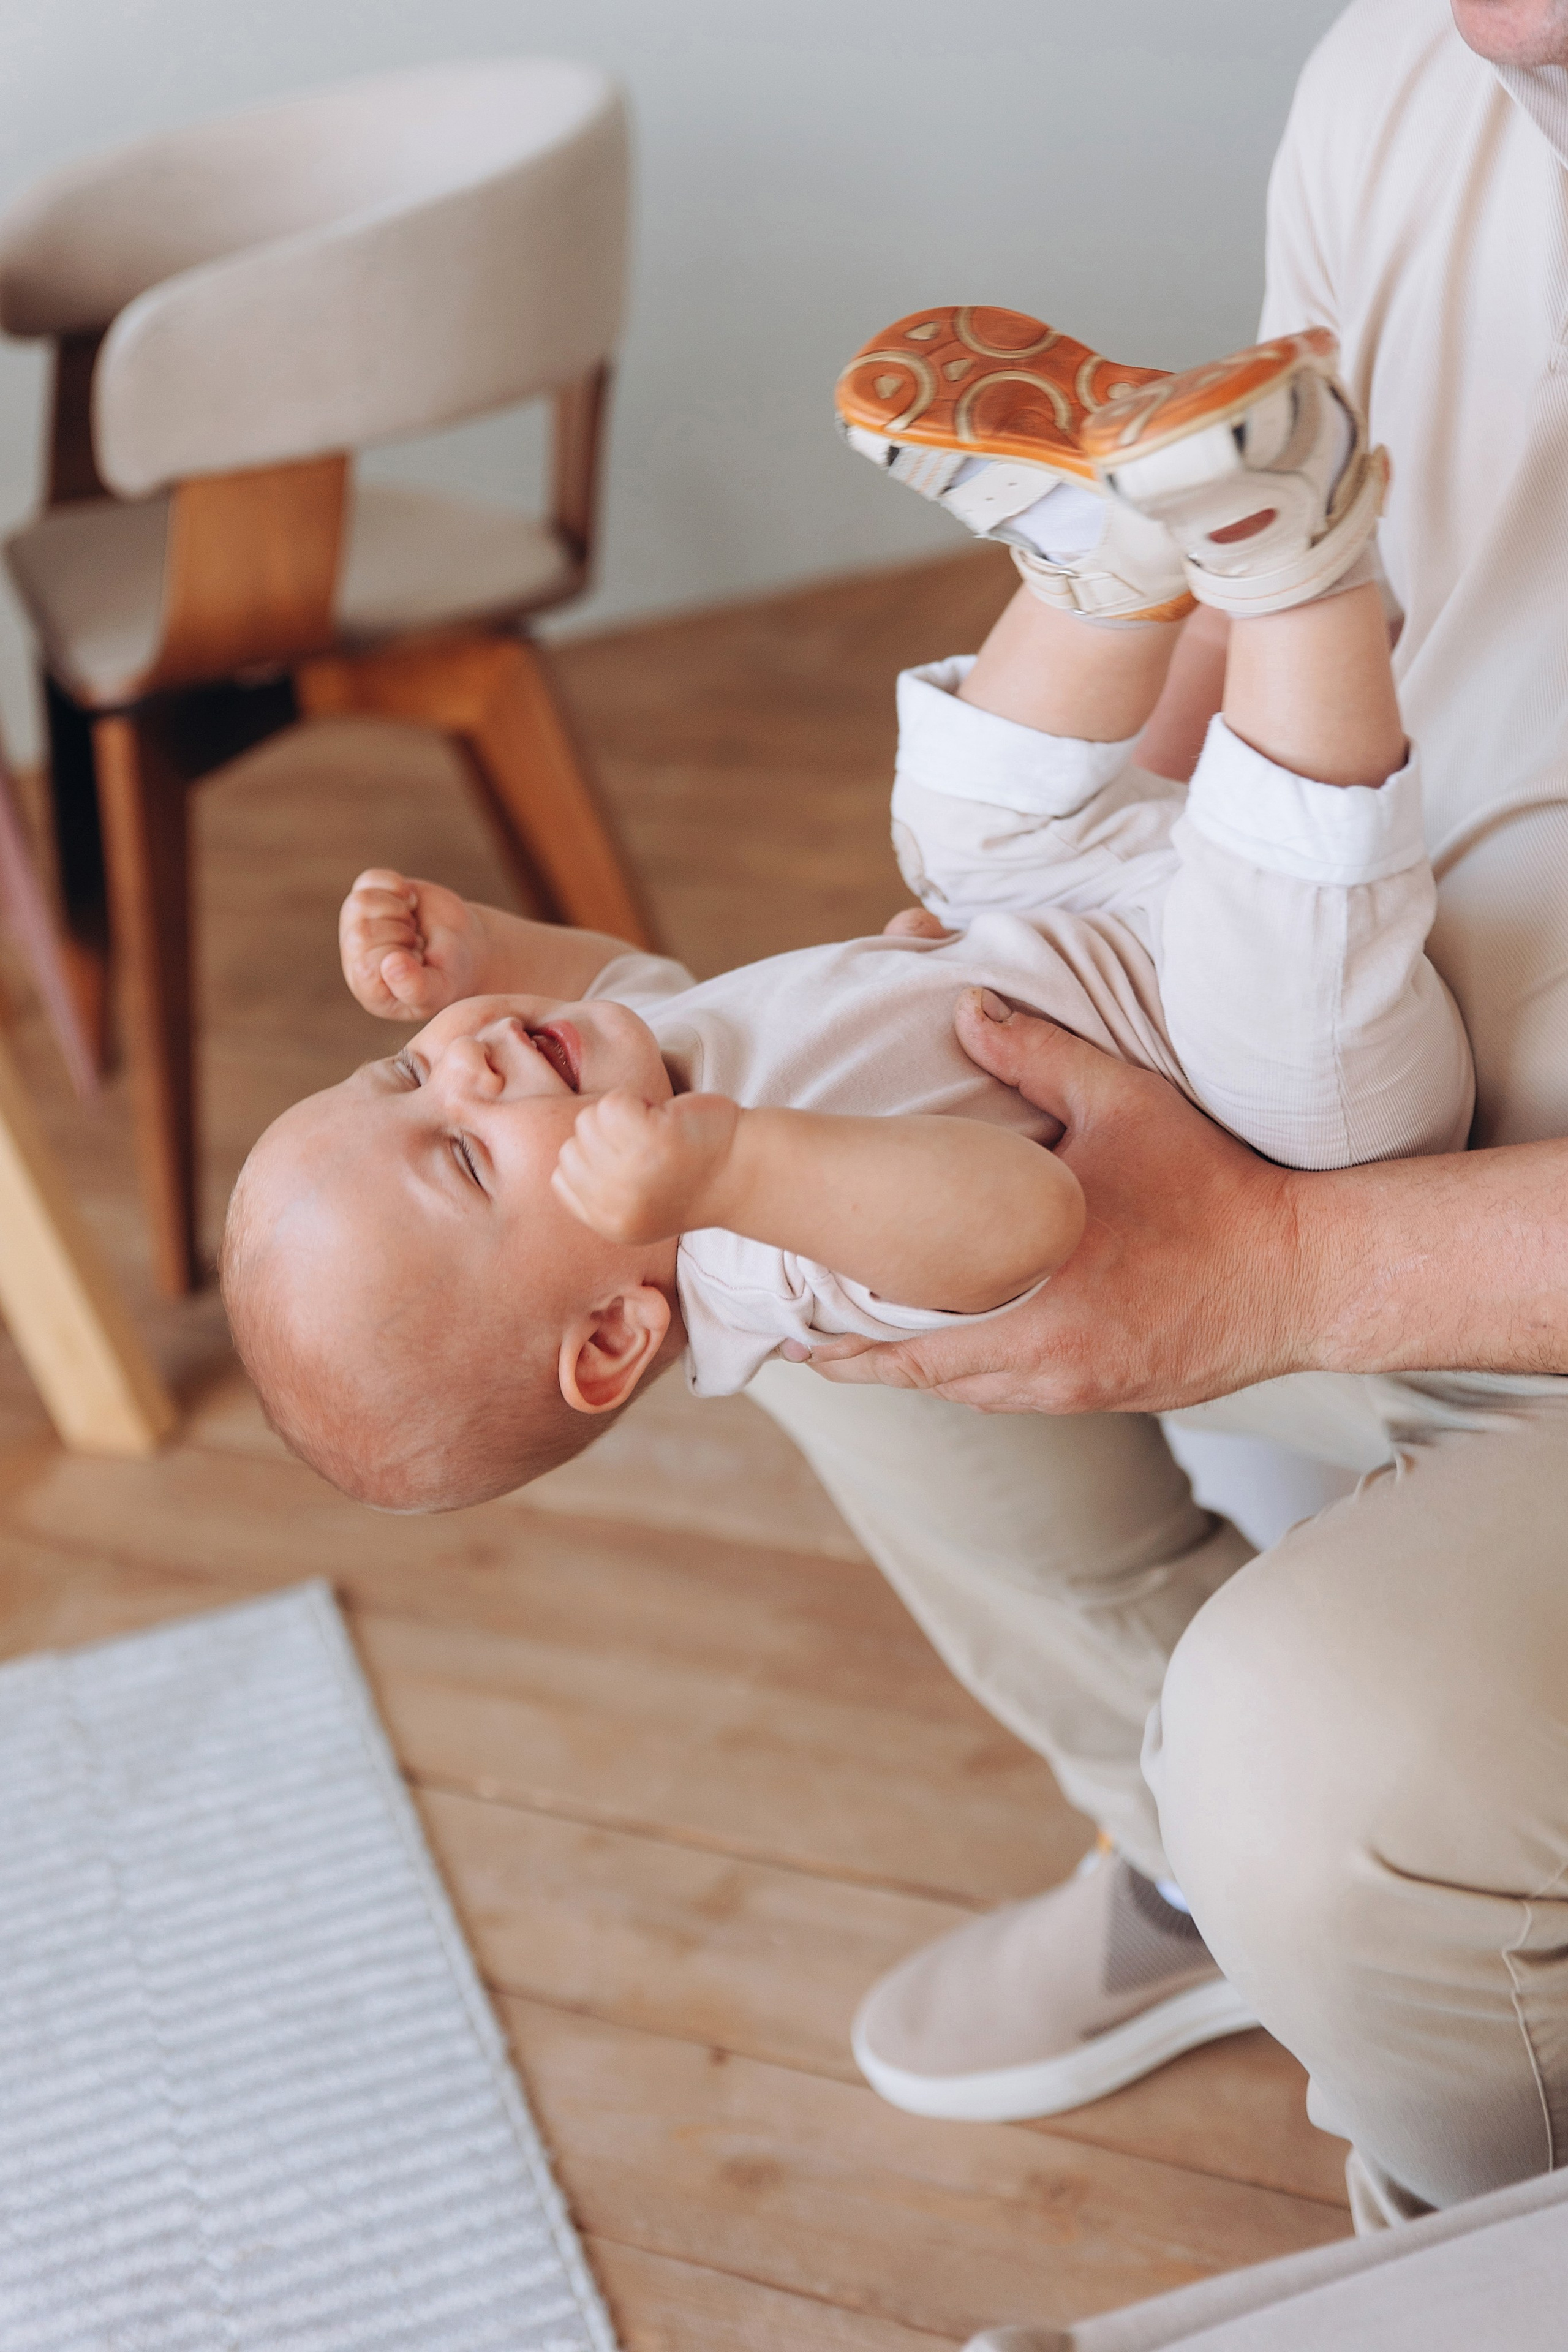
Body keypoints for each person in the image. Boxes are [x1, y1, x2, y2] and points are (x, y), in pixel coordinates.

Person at [748, 0, 1568, 2239]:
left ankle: (1475, 2211)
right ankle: (1183, 1849)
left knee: (1333, 1765)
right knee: (801, 1188)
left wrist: (1282, 1270)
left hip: (1449, 1191)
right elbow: (1323, 585)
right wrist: (1069, 813)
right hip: (1351, 1039)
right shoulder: (1406, 77)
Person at [219, 323, 1463, 1532]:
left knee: (951, 830)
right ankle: (1291, 564)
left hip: (1077, 935)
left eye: (401, 1068)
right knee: (1276, 972)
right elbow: (1022, 1219)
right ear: (612, 1334)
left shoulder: (638, 1078)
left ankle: (1110, 558)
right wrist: (737, 1171)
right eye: (464, 1156)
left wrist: (479, 949)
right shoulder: (771, 1265)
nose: (463, 1060)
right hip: (1272, 1103)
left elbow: (610, 975)